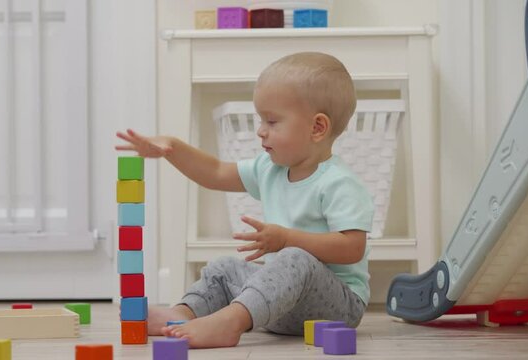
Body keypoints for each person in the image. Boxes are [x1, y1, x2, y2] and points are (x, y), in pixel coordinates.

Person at [115, 52, 374, 349]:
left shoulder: (339, 183)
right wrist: (171, 148)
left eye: (272, 121)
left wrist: (288, 238)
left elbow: (352, 248)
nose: (261, 130)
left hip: (336, 307)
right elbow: (215, 171)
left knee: (296, 258)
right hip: (277, 305)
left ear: (317, 128)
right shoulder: (270, 169)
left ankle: (230, 322)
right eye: (261, 119)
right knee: (226, 268)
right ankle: (182, 313)